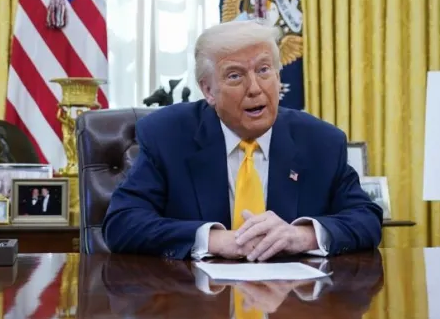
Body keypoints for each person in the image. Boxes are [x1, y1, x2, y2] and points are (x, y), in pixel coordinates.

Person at [103, 19, 383, 260]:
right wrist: (214, 240)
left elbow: (366, 218)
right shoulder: (167, 136)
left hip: (292, 308)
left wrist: (302, 236)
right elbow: (122, 223)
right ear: (208, 90)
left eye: (263, 70)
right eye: (235, 76)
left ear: (277, 75)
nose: (255, 88)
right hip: (196, 306)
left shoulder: (320, 141)